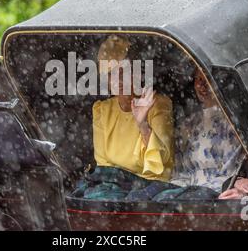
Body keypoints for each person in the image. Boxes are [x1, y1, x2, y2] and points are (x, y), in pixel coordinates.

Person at [73, 35, 177, 201]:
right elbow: (104, 169)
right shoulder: (101, 110)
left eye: (125, 71)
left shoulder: (157, 103)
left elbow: (160, 166)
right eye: (112, 73)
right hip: (115, 187)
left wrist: (142, 124)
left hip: (151, 187)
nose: (119, 79)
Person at [153, 68, 248, 201]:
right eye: (198, 79)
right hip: (183, 197)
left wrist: (234, 182)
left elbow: (238, 177)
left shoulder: (238, 124)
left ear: (221, 83)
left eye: (208, 78)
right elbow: (178, 175)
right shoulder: (186, 124)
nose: (202, 85)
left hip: (213, 199)